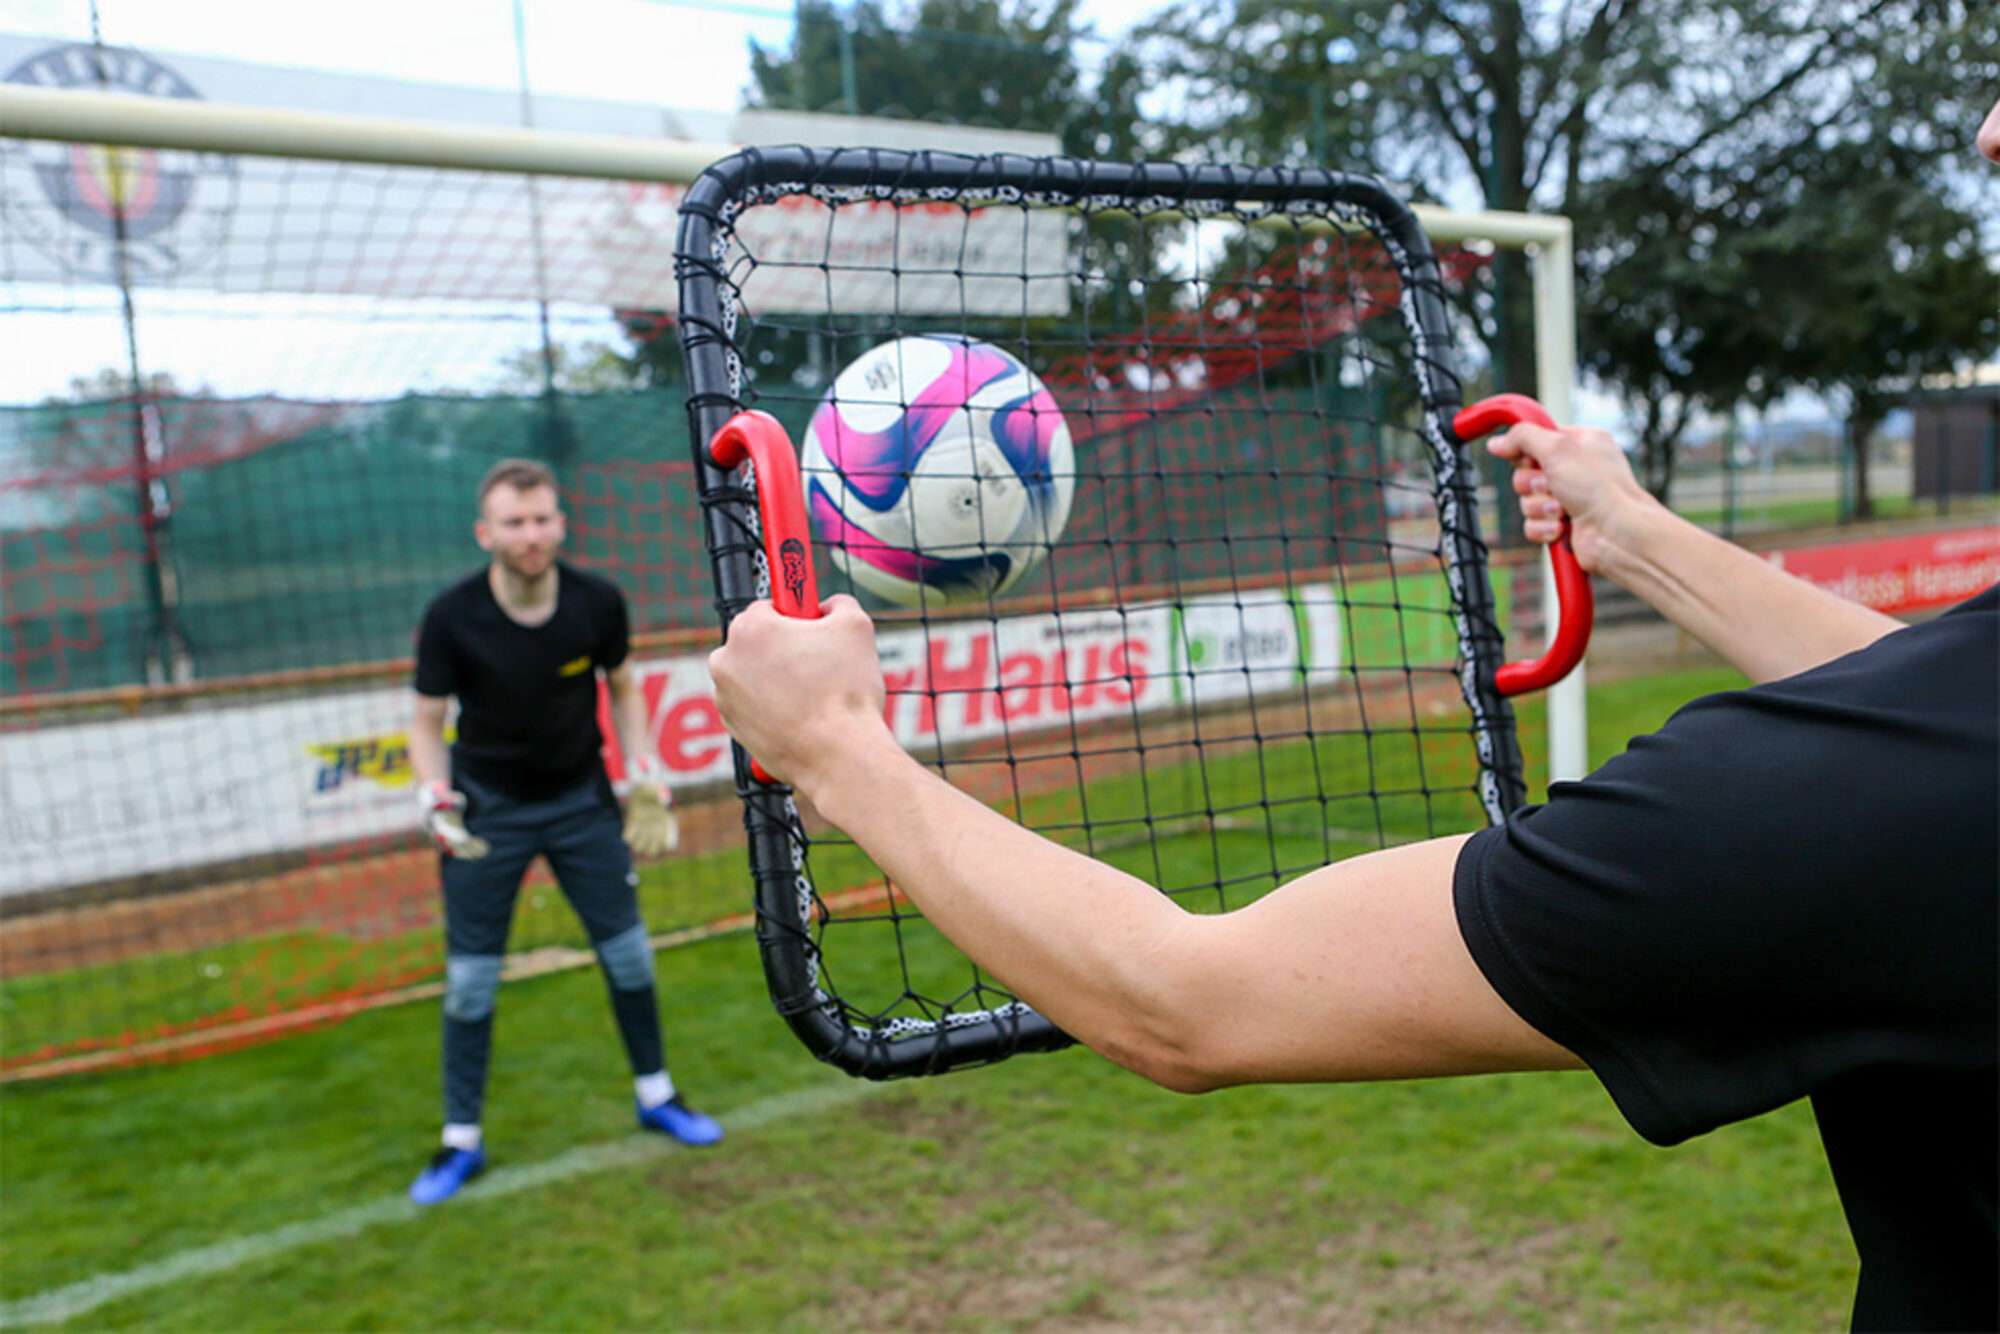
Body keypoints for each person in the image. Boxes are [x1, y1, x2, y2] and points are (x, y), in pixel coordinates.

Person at [706, 101, 2000, 1332]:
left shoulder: (1825, 809)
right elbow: (1919, 690)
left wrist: (836, 751)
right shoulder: (1933, 759)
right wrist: (1640, 540)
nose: (1990, 132)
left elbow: (1188, 1000)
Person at [406, 458, 723, 1206]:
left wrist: (642, 767)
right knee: (470, 986)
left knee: (632, 960)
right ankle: (461, 1142)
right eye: (514, 522)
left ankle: (656, 1094)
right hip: (487, 813)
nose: (531, 533)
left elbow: (621, 686)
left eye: (542, 517)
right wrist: (432, 795)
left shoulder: (598, 603)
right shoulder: (451, 616)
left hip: (582, 806)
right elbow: (425, 721)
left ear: (561, 522)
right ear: (487, 532)